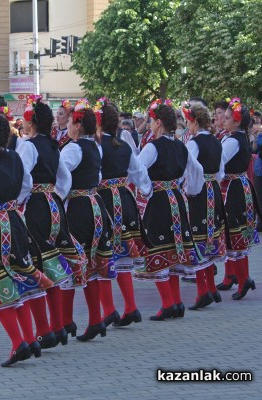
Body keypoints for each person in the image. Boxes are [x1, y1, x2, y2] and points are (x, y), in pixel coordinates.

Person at [0, 110, 53, 367]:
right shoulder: (17, 157)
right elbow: (27, 184)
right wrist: (14, 204)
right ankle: (30, 338)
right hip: (15, 221)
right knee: (20, 276)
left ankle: (20, 343)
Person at [16, 98, 87, 348]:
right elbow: (64, 178)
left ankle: (45, 330)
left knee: (32, 265)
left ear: (32, 122)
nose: (23, 123)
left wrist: (18, 202)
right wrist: (56, 195)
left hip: (35, 205)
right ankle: (58, 327)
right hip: (53, 204)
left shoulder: (29, 146)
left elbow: (23, 178)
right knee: (52, 263)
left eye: (25, 119)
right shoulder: (54, 145)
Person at [135, 99, 204, 320]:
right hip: (177, 198)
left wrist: (146, 189)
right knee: (173, 253)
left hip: (160, 201)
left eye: (151, 121)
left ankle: (168, 304)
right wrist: (191, 191)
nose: (150, 125)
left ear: (158, 123)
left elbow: (137, 169)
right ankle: (176, 303)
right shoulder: (180, 145)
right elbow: (196, 169)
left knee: (158, 250)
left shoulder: (152, 147)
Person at [61, 98, 114, 341]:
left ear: (79, 125)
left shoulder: (73, 148)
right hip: (96, 206)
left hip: (78, 208)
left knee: (69, 262)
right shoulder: (95, 146)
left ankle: (65, 321)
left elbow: (61, 176)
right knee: (91, 266)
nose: (68, 127)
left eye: (71, 122)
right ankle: (95, 320)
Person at [96, 99, 151, 327]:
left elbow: (94, 175)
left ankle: (109, 309)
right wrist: (147, 192)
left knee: (103, 254)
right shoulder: (124, 146)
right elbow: (140, 174)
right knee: (123, 256)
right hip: (125, 200)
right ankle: (131, 307)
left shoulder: (97, 147)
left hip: (104, 202)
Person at [182, 101, 227, 310]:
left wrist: (188, 190)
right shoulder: (217, 142)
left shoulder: (194, 143)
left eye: (187, 122)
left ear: (193, 121)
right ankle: (211, 288)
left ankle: (203, 291)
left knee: (198, 239)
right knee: (209, 238)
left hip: (198, 193)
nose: (186, 126)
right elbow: (221, 172)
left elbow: (189, 170)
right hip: (214, 191)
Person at [219, 98, 261, 300]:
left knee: (235, 235)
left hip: (233, 190)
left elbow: (219, 163)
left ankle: (243, 279)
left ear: (236, 122)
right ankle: (243, 278)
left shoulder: (234, 140)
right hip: (237, 187)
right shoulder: (237, 138)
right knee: (235, 236)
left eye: (227, 118)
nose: (223, 121)